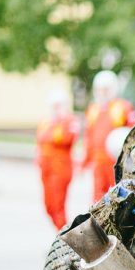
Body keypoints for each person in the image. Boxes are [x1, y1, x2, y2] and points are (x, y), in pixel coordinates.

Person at [83, 70, 135, 201]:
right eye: (99, 89)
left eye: (105, 89)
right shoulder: (93, 109)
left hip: (116, 161)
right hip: (98, 162)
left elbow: (134, 132)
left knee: (116, 196)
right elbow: (89, 136)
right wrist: (86, 160)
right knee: (97, 198)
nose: (102, 92)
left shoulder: (123, 107)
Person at [36, 89, 78, 229]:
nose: (56, 109)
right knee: (49, 207)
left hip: (60, 169)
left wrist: (59, 121)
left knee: (58, 208)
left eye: (58, 105)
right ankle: (63, 238)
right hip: (46, 170)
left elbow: (66, 139)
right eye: (53, 105)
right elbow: (40, 142)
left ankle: (67, 242)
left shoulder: (69, 121)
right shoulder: (45, 122)